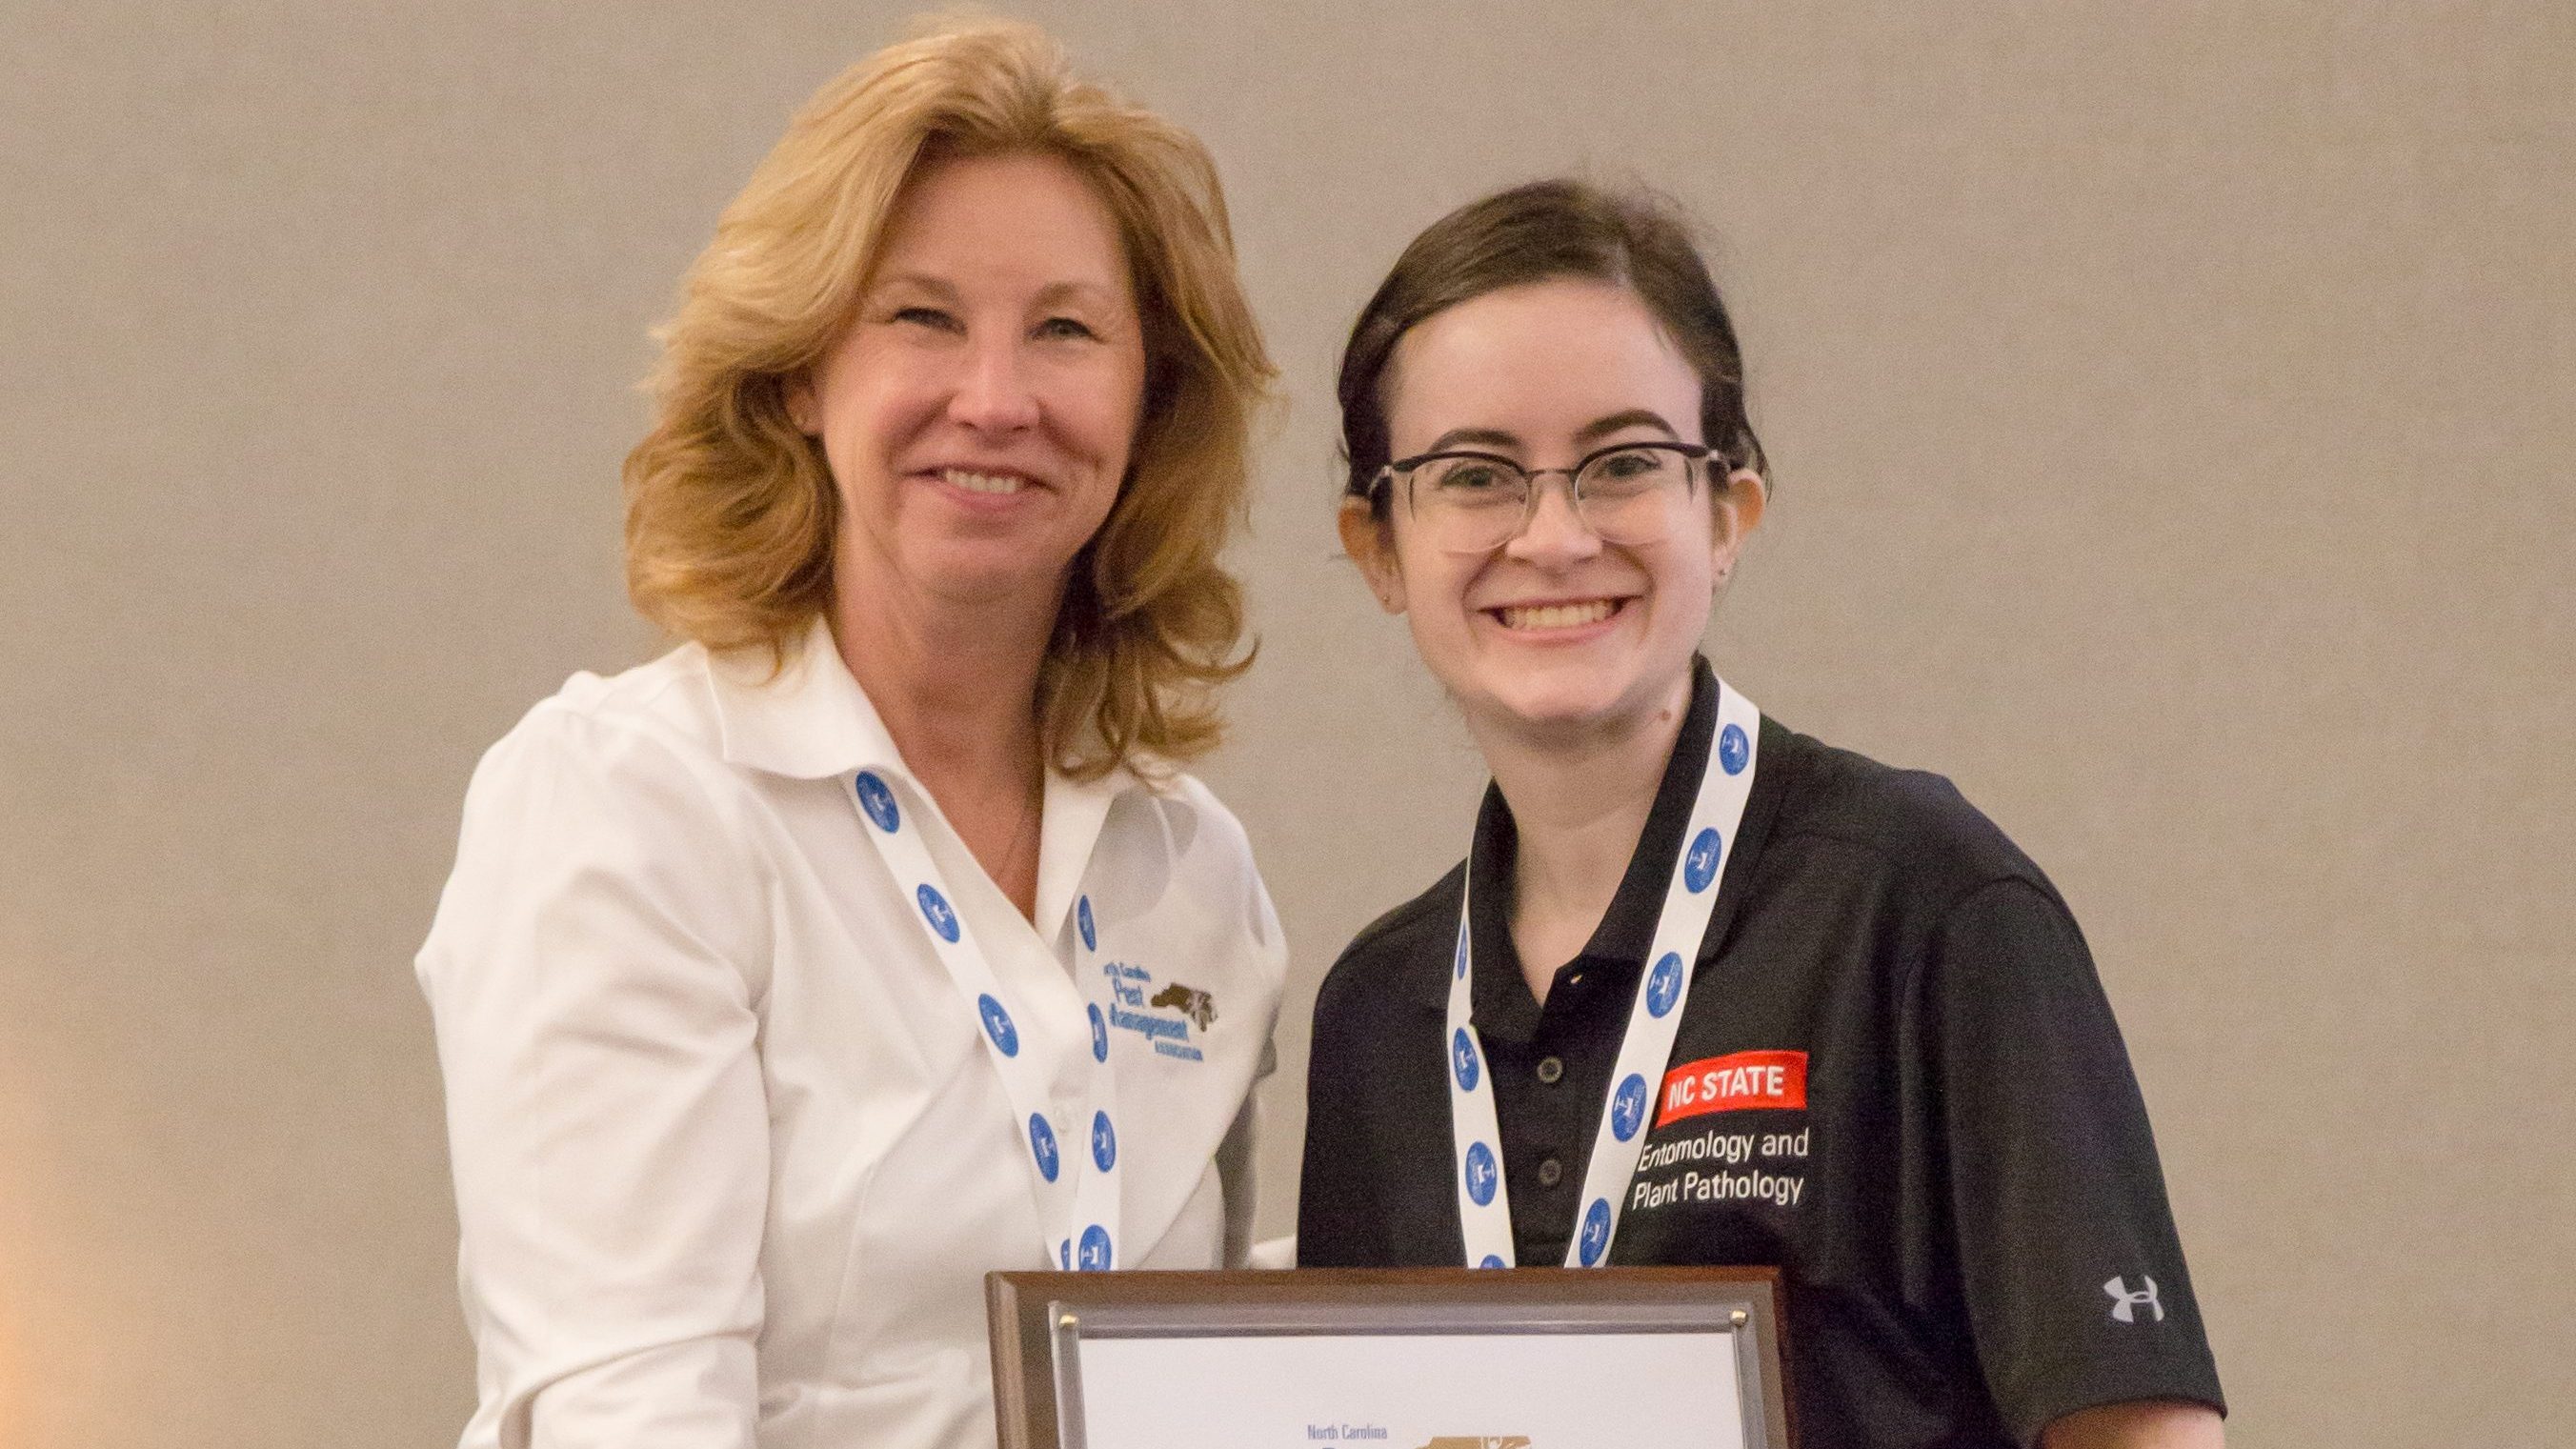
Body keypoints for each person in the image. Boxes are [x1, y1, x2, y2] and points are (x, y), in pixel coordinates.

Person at [415, 21, 1284, 1449]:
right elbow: (634, 1408)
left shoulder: (1191, 872)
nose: (996, 400)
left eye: (1065, 329)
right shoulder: (631, 812)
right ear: (801, 374)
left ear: (1149, 402)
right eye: (921, 317)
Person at [1297, 179, 2225, 1449]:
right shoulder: (1380, 1014)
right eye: (1476, 475)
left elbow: (2141, 1434)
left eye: (1623, 462)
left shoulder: (1925, 905)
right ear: (1379, 547)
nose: (1554, 534)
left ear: (1727, 512)